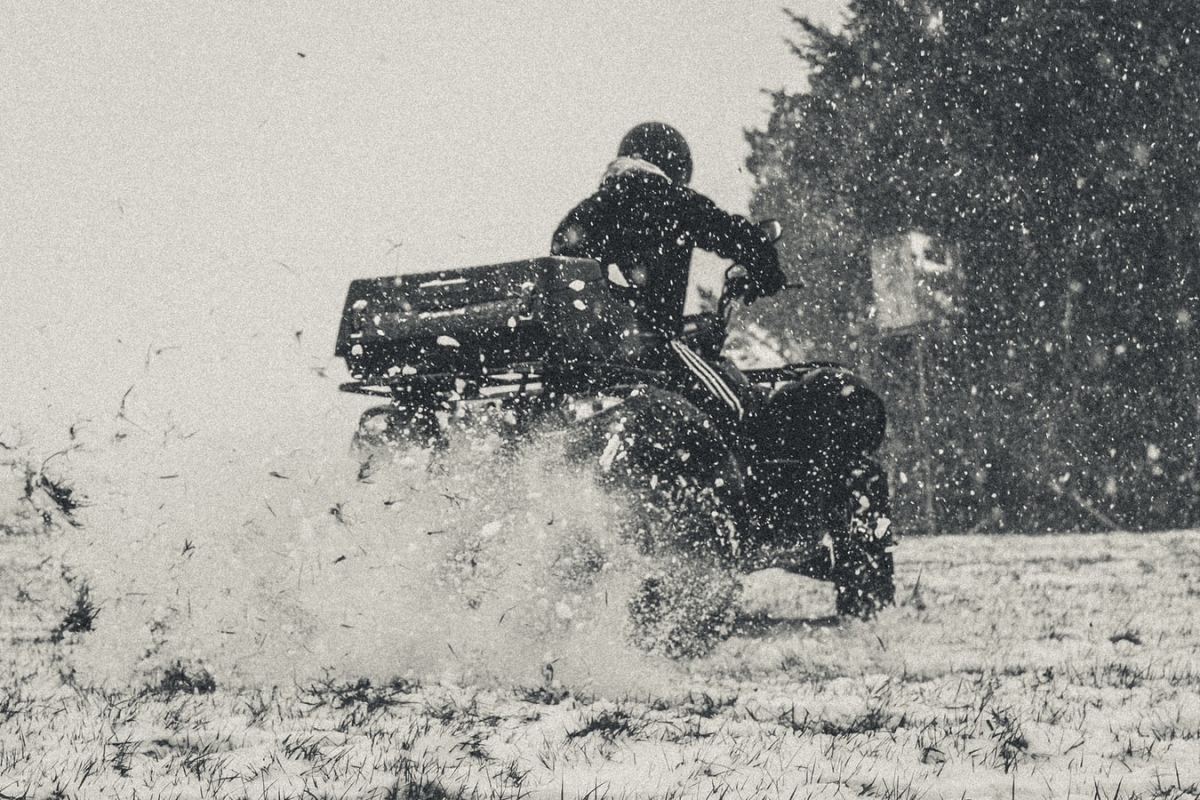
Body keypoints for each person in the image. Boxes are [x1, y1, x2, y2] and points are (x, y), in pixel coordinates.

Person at [551, 122, 787, 425]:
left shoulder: (582, 215)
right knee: (737, 406)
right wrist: (764, 264)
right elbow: (728, 231)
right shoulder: (665, 198)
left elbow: (573, 282)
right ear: (675, 166)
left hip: (581, 364)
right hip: (646, 352)